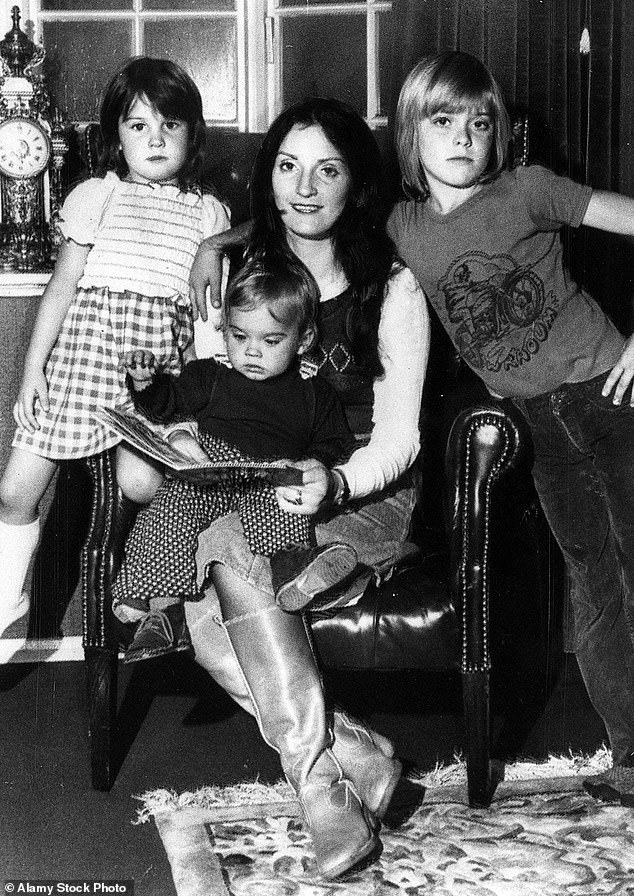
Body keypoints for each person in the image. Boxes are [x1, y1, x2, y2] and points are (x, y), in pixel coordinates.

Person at [187, 97, 430, 879]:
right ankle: (337, 763)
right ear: (268, 178)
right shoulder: (242, 277)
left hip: (364, 495)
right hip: (262, 492)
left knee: (218, 567)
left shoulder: (393, 288)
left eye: (327, 170)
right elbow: (218, 399)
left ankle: (329, 786)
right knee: (204, 578)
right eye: (288, 167)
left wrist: (338, 480)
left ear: (356, 184)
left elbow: (400, 438)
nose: (303, 187)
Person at [388, 50, 634, 807]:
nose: (464, 136)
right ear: (411, 131)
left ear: (499, 134)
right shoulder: (402, 226)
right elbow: (303, 221)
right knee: (595, 585)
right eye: (443, 120)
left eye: (480, 121)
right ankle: (630, 756)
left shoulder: (529, 189)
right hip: (542, 430)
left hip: (610, 398)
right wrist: (218, 243)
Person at [0, 56, 230, 638]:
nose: (155, 140)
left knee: (142, 483)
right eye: (138, 125)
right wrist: (33, 371)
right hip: (83, 359)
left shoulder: (208, 213)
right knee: (14, 490)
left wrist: (201, 398)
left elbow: (205, 317)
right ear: (116, 136)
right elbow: (60, 290)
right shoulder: (96, 195)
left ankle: (150, 584)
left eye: (170, 125)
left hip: (153, 372)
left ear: (192, 134)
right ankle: (6, 597)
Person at [112, 258, 359, 663]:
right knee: (168, 508)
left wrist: (314, 465)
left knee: (284, 504)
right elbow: (166, 406)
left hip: (269, 474)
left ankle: (295, 571)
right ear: (225, 328)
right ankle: (164, 613)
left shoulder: (314, 393)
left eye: (271, 341)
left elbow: (336, 444)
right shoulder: (210, 375)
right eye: (239, 336)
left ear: (303, 339)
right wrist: (146, 384)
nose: (251, 351)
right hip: (209, 470)